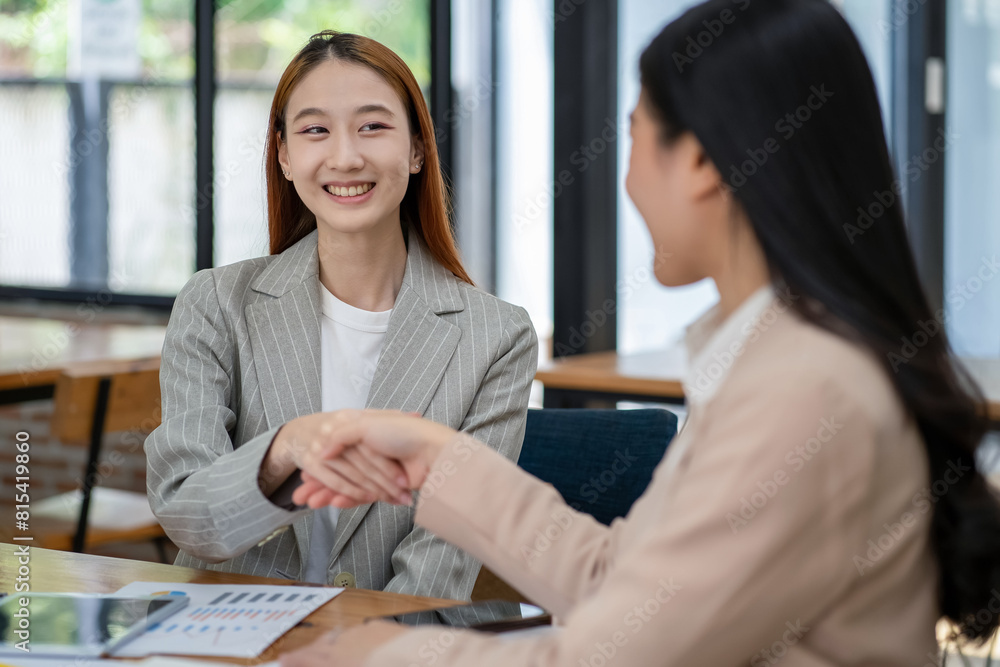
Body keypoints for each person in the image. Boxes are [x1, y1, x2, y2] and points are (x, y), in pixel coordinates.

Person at [279, 1, 1000, 665]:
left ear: (700, 161)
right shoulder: (789, 358)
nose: (627, 181)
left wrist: (379, 653)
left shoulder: (805, 389)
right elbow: (627, 584)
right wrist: (441, 462)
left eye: (634, 136)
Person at [144, 31, 537, 600]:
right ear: (283, 155)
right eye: (315, 130)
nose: (346, 156)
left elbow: (438, 568)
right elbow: (189, 514)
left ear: (418, 149)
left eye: (373, 126)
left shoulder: (498, 337)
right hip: (228, 632)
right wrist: (284, 450)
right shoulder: (214, 304)